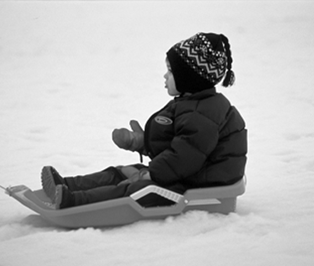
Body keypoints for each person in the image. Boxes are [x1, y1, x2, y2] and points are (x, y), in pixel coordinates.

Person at [41, 32, 247, 209]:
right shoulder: (193, 103)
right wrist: (140, 142)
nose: (165, 76)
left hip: (199, 185)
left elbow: (185, 157)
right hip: (187, 174)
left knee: (136, 189)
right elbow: (178, 144)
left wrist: (153, 174)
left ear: (190, 77)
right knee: (122, 172)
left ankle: (73, 201)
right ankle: (67, 185)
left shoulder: (203, 112)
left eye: (171, 71)